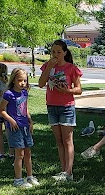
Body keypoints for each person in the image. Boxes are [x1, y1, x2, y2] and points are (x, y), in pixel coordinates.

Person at [38, 39, 83, 182]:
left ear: (64, 53)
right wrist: (48, 67)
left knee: (67, 140)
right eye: (53, 52)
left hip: (66, 107)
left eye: (58, 52)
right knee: (59, 140)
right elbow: (40, 84)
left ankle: (69, 172)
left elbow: (79, 89)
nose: (55, 55)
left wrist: (67, 90)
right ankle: (63, 170)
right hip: (51, 106)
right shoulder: (47, 66)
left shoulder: (71, 68)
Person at [0, 68, 38, 188]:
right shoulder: (9, 94)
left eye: (25, 80)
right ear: (14, 80)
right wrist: (11, 120)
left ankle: (30, 176)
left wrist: (30, 121)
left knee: (28, 153)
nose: (22, 83)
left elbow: (25, 109)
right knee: (19, 154)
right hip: (15, 128)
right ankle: (18, 179)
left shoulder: (24, 93)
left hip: (25, 126)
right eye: (20, 80)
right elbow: (1, 110)